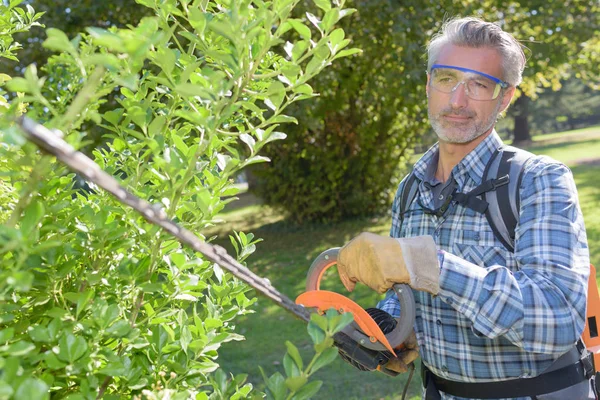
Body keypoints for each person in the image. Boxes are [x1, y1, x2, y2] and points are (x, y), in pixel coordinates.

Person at [336, 17, 593, 400]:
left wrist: (429, 264)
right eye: (446, 79)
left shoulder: (538, 180)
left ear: (504, 98)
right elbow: (408, 290)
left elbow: (556, 319)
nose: (458, 100)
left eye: (479, 84)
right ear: (428, 85)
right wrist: (393, 328)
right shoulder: (410, 190)